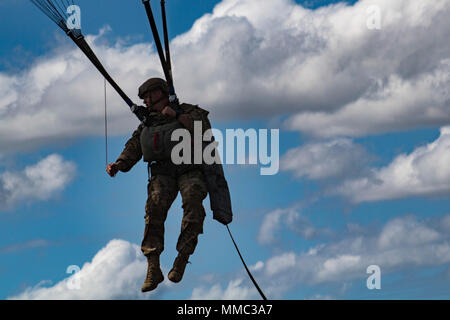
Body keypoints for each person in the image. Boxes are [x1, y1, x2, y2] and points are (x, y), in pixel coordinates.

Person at [106, 78, 211, 292]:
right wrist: (120, 163)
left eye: (149, 96)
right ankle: (153, 266)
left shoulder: (189, 111)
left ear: (162, 93)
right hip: (162, 172)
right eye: (143, 98)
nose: (145, 101)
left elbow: (204, 132)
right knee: (154, 209)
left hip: (189, 168)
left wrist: (179, 117)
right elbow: (135, 145)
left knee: (193, 201)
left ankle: (182, 257)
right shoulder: (148, 123)